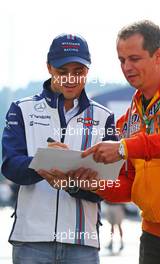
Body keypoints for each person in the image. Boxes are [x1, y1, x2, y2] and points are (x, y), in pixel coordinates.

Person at [1, 33, 116, 264]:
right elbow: (9, 166)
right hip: (31, 240)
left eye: (79, 71)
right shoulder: (21, 109)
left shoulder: (104, 117)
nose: (71, 79)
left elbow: (108, 185)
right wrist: (42, 163)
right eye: (63, 72)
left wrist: (73, 185)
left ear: (88, 71)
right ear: (49, 67)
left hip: (83, 243)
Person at [74, 21, 160, 264]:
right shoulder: (130, 115)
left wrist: (123, 147)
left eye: (134, 58)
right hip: (150, 236)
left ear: (158, 55)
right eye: (121, 60)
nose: (126, 67)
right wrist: (95, 183)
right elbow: (130, 186)